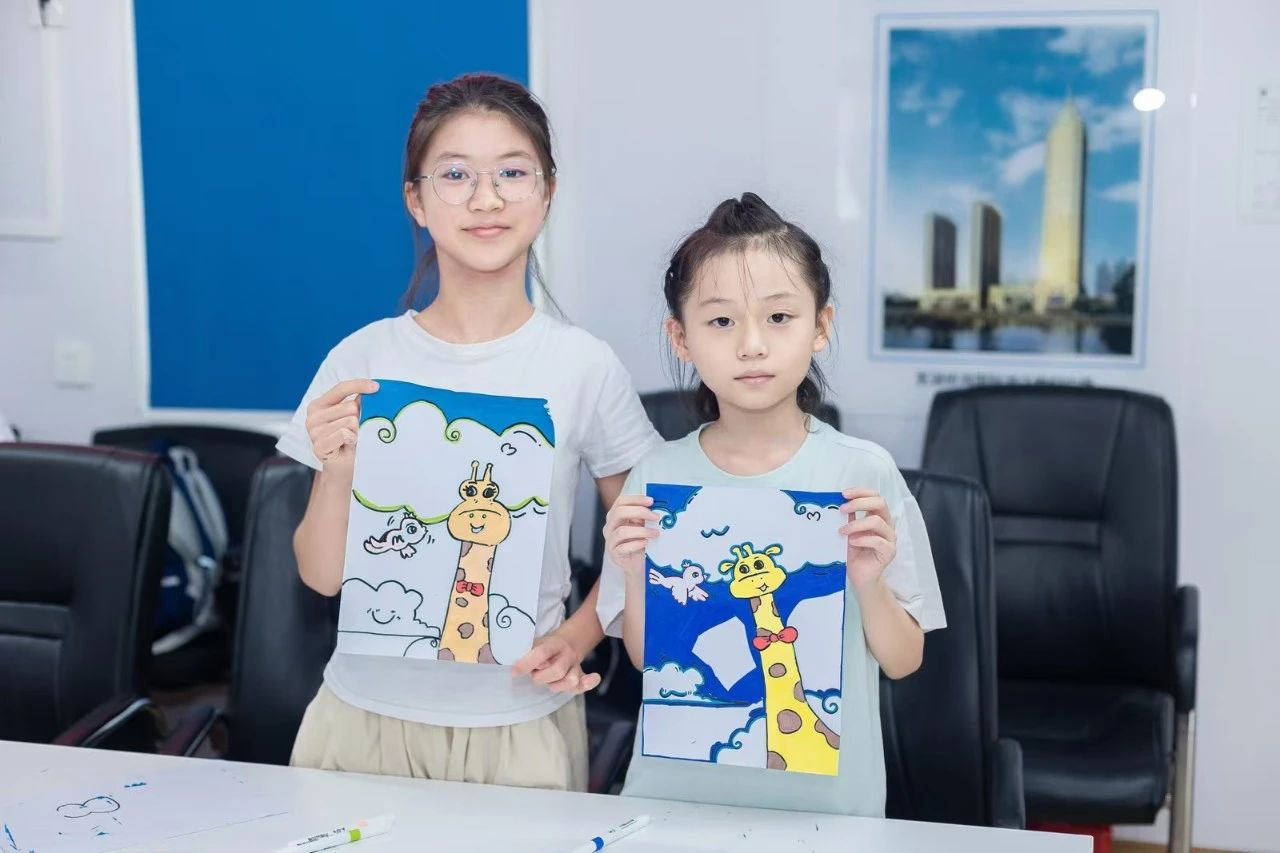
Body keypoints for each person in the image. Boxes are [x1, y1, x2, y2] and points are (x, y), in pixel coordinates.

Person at [276, 74, 660, 791]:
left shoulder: (582, 365)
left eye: (512, 173)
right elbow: (321, 576)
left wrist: (578, 634)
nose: (486, 200)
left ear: (547, 193)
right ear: (416, 201)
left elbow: (645, 534)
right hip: (360, 719)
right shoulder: (362, 359)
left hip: (520, 722)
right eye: (455, 175)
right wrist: (338, 474)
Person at [597, 192, 945, 815]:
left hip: (827, 810)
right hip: (678, 801)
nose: (752, 345)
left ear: (821, 327)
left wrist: (869, 584)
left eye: (779, 317)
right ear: (681, 337)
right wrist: (632, 570)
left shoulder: (862, 474)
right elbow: (651, 660)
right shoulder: (656, 476)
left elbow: (905, 660)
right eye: (721, 322)